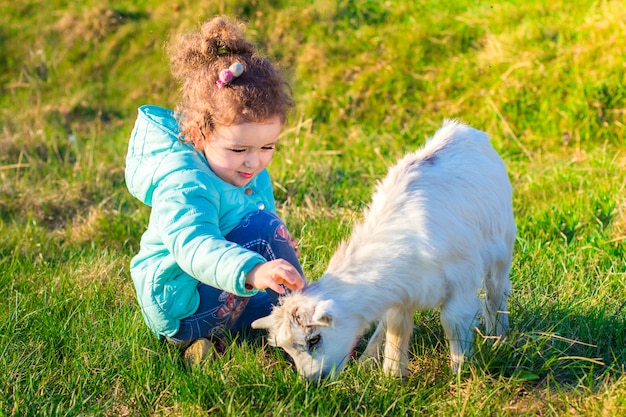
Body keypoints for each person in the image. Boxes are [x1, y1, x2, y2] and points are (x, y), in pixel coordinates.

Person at [124, 16, 306, 366]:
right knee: (263, 231)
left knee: (264, 229)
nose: (253, 162)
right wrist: (255, 270)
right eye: (239, 150)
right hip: (183, 304)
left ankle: (233, 338)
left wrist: (265, 264)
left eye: (268, 147)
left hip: (226, 285)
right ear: (198, 135)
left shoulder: (245, 170)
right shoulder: (183, 182)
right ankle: (307, 325)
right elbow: (194, 246)